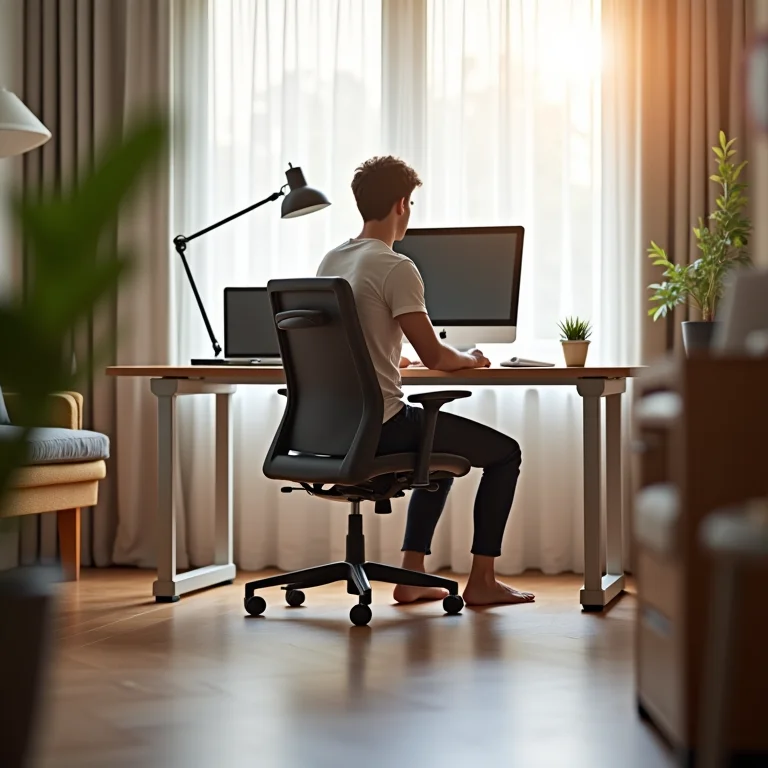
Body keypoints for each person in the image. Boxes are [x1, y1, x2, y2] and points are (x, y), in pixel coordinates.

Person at [316, 156, 533, 607]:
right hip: (382, 425)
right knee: (505, 454)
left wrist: (394, 359)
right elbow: (437, 355)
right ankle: (483, 581)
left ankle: (412, 576)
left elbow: (355, 343)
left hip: (338, 427)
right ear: (401, 204)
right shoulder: (396, 266)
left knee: (438, 452)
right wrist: (471, 358)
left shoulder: (332, 259)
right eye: (411, 203)